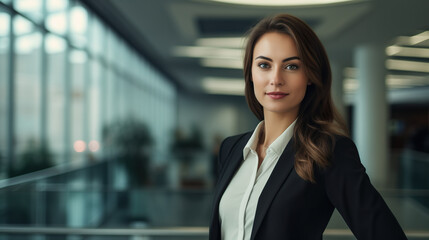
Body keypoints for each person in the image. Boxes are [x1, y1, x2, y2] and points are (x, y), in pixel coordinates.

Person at [209, 14, 407, 240]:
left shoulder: (328, 151)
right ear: (250, 74)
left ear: (310, 76)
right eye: (264, 65)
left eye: (291, 66)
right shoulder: (231, 148)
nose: (276, 79)